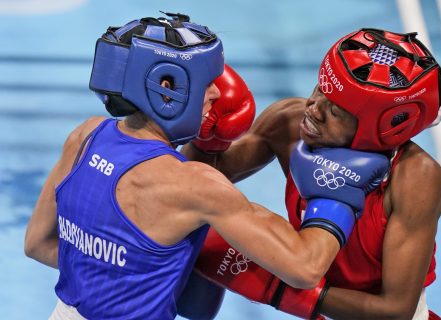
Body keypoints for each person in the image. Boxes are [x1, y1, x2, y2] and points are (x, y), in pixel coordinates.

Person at [23, 14, 390, 320]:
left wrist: (119, 275)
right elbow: (305, 267)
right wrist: (337, 195)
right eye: (207, 82)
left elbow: (37, 245)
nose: (216, 94)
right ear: (166, 87)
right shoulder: (196, 185)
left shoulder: (85, 136)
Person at [179, 28, 441, 319]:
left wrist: (279, 290)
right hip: (320, 302)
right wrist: (207, 138)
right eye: (321, 88)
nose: (313, 108)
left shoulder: (415, 177)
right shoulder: (289, 123)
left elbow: (395, 311)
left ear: (380, 128)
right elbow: (191, 183)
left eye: (335, 111)